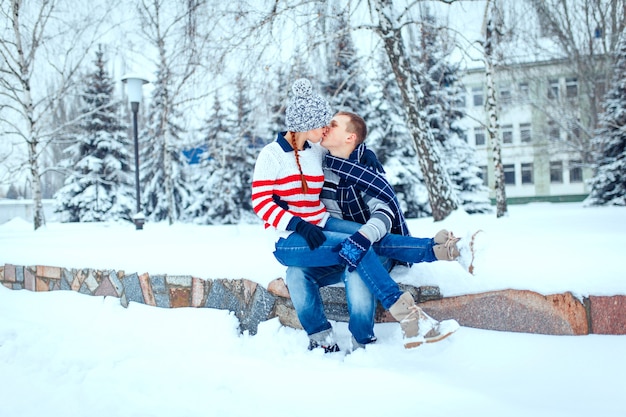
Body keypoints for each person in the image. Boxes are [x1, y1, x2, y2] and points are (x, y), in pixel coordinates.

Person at [251, 79, 459, 351]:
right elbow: (261, 202)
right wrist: (298, 225)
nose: (325, 129)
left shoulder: (315, 149)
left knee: (364, 239)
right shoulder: (272, 155)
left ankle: (439, 249)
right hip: (288, 238)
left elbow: (348, 146)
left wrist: (366, 154)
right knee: (355, 247)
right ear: (306, 125)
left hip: (322, 224)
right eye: (322, 124)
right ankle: (409, 317)